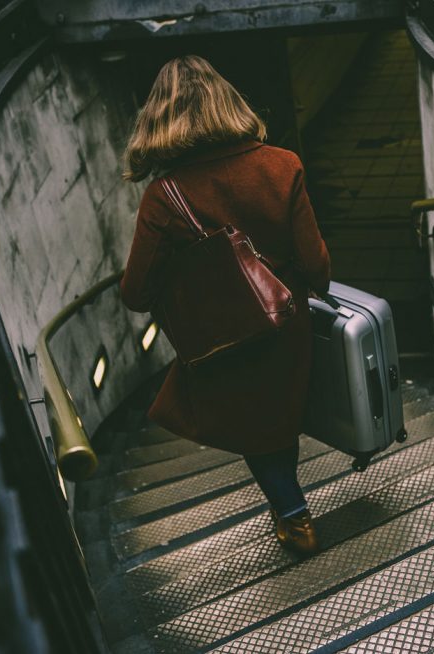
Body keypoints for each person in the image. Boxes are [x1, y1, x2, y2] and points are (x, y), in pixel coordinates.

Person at [118, 55, 332, 555]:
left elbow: (136, 294)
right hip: (288, 324)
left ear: (159, 119)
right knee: (277, 423)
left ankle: (295, 519)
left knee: (259, 433)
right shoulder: (282, 165)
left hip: (225, 337)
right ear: (227, 102)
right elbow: (317, 266)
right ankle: (290, 509)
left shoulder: (162, 198)